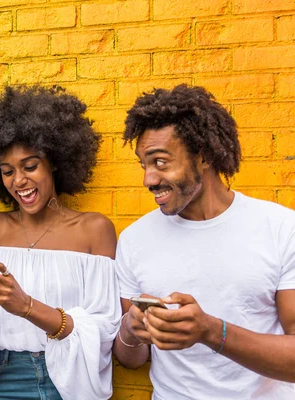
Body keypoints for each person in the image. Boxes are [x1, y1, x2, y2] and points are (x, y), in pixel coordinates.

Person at [113, 84, 295, 399]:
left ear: (204, 157)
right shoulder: (134, 240)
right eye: (144, 165)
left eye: (160, 162)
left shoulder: (280, 228)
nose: (148, 179)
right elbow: (131, 360)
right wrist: (130, 331)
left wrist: (212, 332)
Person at [0, 85, 120, 400]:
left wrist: (27, 306)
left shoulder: (93, 230)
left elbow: (104, 329)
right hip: (2, 380)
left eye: (30, 166)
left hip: (69, 383)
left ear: (54, 162)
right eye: (7, 171)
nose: (19, 181)